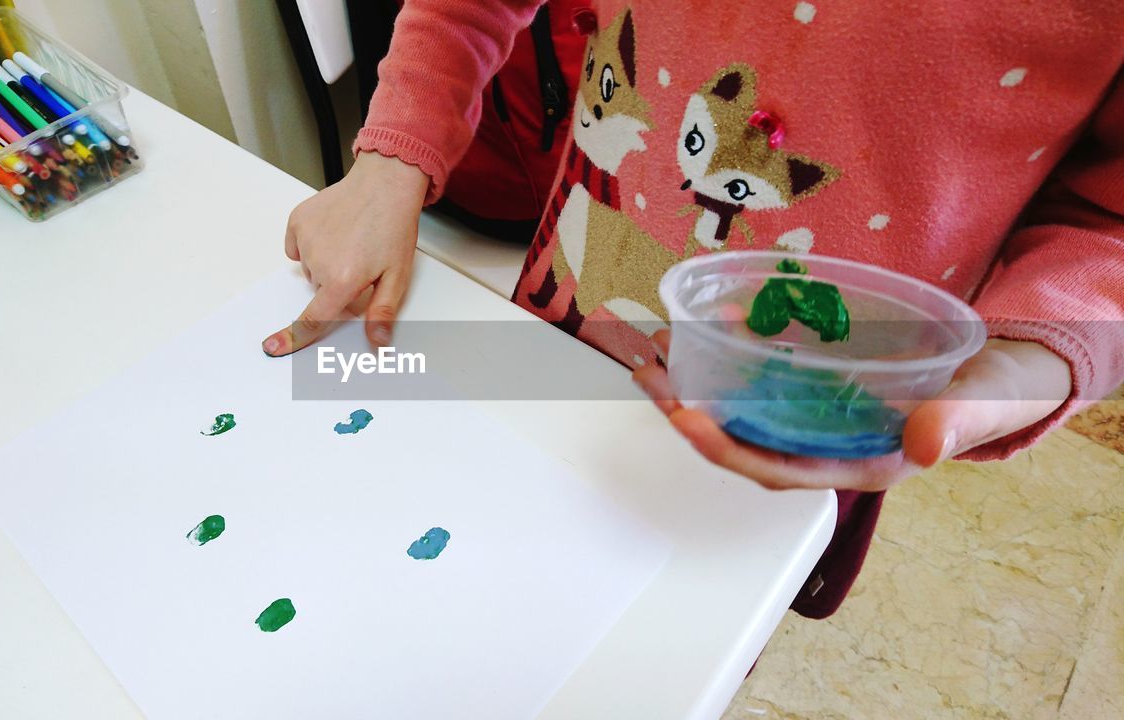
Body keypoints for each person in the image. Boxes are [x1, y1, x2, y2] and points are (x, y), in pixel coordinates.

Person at [262, 1, 1124, 617]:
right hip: (565, 325)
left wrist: (1019, 368)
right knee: (478, 578)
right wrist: (393, 156)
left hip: (802, 423)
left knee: (660, 626)